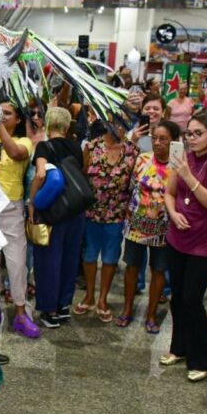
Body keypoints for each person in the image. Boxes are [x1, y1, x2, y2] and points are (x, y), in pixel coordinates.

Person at [160, 111, 207, 383]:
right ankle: (178, 348)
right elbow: (169, 193)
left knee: (192, 300)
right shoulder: (184, 157)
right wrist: (173, 213)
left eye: (197, 133)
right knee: (178, 297)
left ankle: (202, 359)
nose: (191, 139)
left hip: (205, 242)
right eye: (188, 133)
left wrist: (189, 177)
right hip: (178, 236)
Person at [0, 102, 37, 338]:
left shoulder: (25, 142)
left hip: (11, 209)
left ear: (19, 119)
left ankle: (21, 313)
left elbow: (14, 153)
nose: (2, 116)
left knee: (16, 263)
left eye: (7, 114)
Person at [77, 114, 138, 325]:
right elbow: (83, 175)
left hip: (117, 212)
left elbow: (134, 182)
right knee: (90, 254)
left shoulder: (132, 151)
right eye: (114, 123)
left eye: (123, 124)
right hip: (92, 211)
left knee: (111, 257)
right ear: (106, 124)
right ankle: (89, 296)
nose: (118, 128)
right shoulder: (92, 147)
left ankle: (102, 299)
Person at [28, 107, 86, 329]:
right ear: (67, 125)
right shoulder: (76, 147)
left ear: (48, 124)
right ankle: (63, 306)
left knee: (49, 260)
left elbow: (41, 174)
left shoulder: (44, 146)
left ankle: (49, 310)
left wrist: (33, 201)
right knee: (70, 258)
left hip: (53, 211)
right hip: (75, 210)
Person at [121, 120, 179, 334]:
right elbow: (130, 187)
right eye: (155, 138)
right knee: (132, 266)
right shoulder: (143, 159)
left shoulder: (178, 166)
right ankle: (127, 308)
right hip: (137, 221)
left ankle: (152, 313)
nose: (157, 143)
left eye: (163, 139)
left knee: (158, 270)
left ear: (174, 141)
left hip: (164, 226)